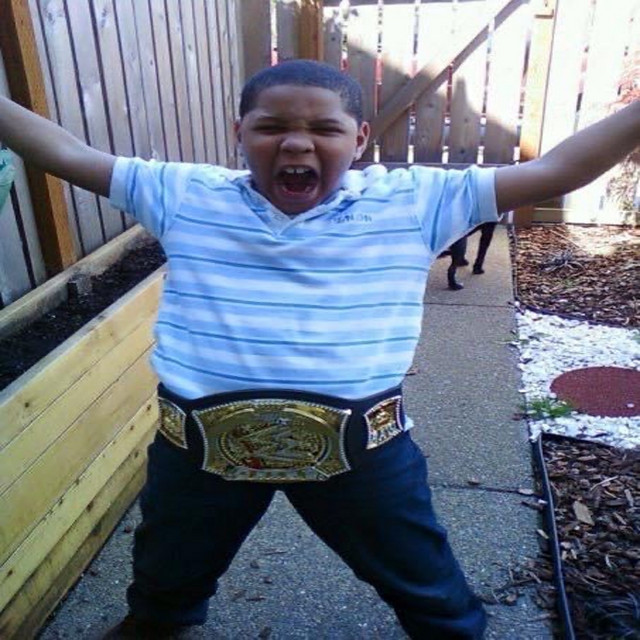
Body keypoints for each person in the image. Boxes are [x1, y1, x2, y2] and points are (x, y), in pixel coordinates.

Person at [1, 59, 638, 639]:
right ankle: (156, 625)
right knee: (166, 573)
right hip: (198, 452)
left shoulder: (417, 201)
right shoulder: (183, 194)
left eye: (325, 129)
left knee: (427, 585)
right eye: (272, 126)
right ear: (240, 132)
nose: (297, 144)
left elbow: (557, 171)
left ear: (359, 139)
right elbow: (65, 152)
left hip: (363, 455)